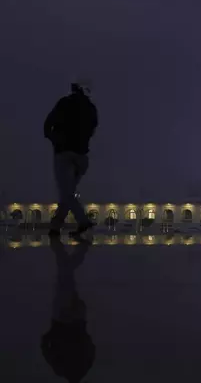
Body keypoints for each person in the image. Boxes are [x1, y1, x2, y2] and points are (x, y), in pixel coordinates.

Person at [44, 80, 98, 237]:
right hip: (81, 156)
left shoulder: (64, 103)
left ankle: (83, 222)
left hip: (64, 154)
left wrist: (56, 140)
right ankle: (55, 227)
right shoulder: (91, 108)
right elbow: (92, 129)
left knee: (66, 193)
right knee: (68, 193)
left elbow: (47, 125)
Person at [41, 234, 95, 383]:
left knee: (66, 279)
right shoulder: (61, 368)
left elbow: (91, 347)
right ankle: (71, 250)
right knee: (65, 279)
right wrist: (50, 334)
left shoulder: (82, 366)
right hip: (62, 321)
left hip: (75, 321)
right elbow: (46, 348)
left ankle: (76, 250)